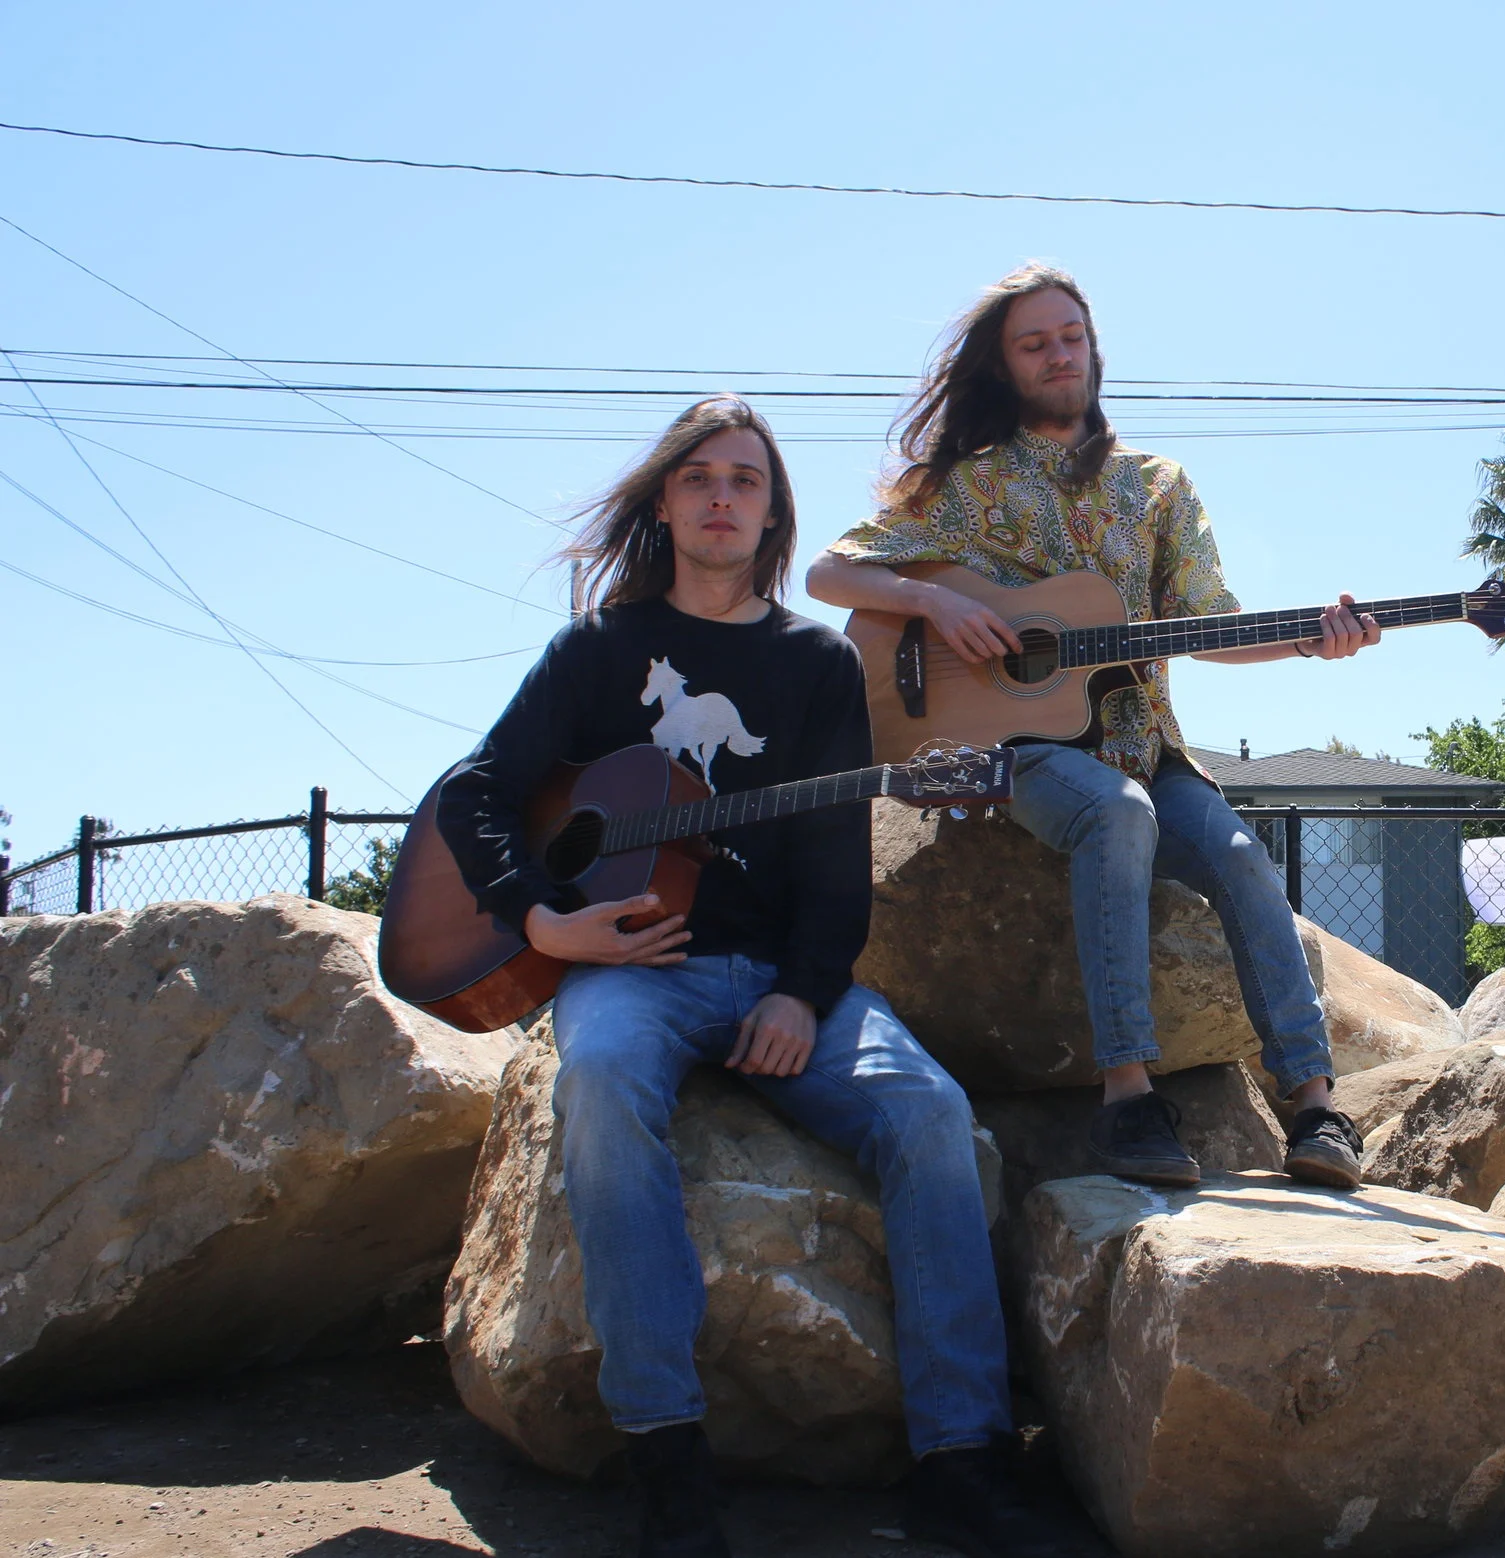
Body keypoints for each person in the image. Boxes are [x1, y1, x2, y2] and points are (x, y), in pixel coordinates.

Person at [436, 396, 1069, 1558]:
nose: (722, 496)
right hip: (631, 965)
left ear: (772, 511)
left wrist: (800, 990)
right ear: (667, 502)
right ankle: (669, 1456)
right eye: (700, 478)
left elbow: (836, 863)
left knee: (928, 1112)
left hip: (776, 975)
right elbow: (478, 792)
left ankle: (960, 1458)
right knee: (603, 1080)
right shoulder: (598, 651)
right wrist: (543, 919)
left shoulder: (814, 664)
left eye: (744, 479)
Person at [806, 264, 1381, 1191]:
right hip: (1017, 751)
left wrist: (1313, 642)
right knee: (1117, 814)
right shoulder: (966, 486)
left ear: (1093, 347)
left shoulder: (1156, 487)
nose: (1058, 353)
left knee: (1236, 852)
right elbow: (830, 576)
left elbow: (1214, 627)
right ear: (1005, 365)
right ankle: (1129, 1099)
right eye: (1034, 342)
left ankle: (1315, 1106)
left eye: (1070, 335)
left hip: (1143, 740)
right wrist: (931, 603)